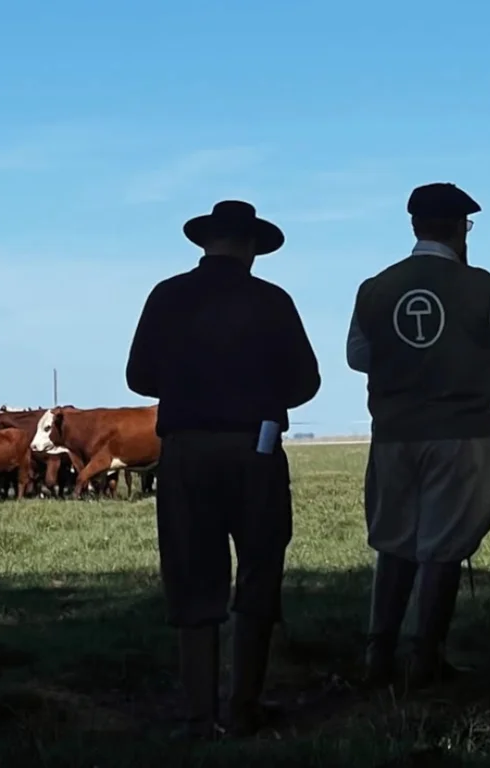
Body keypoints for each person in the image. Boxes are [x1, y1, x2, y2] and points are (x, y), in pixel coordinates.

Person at [125, 199, 321, 740]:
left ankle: (196, 713)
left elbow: (139, 376)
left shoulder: (166, 296)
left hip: (185, 449)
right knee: (258, 568)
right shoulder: (272, 301)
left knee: (192, 572)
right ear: (253, 246)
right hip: (254, 448)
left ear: (205, 242)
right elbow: (307, 382)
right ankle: (244, 706)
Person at [346, 182, 490, 690]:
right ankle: (424, 657)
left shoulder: (375, 288)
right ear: (460, 229)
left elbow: (358, 357)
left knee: (395, 544)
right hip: (460, 435)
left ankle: (378, 653)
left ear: (414, 226)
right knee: (443, 547)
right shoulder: (479, 286)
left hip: (392, 436)